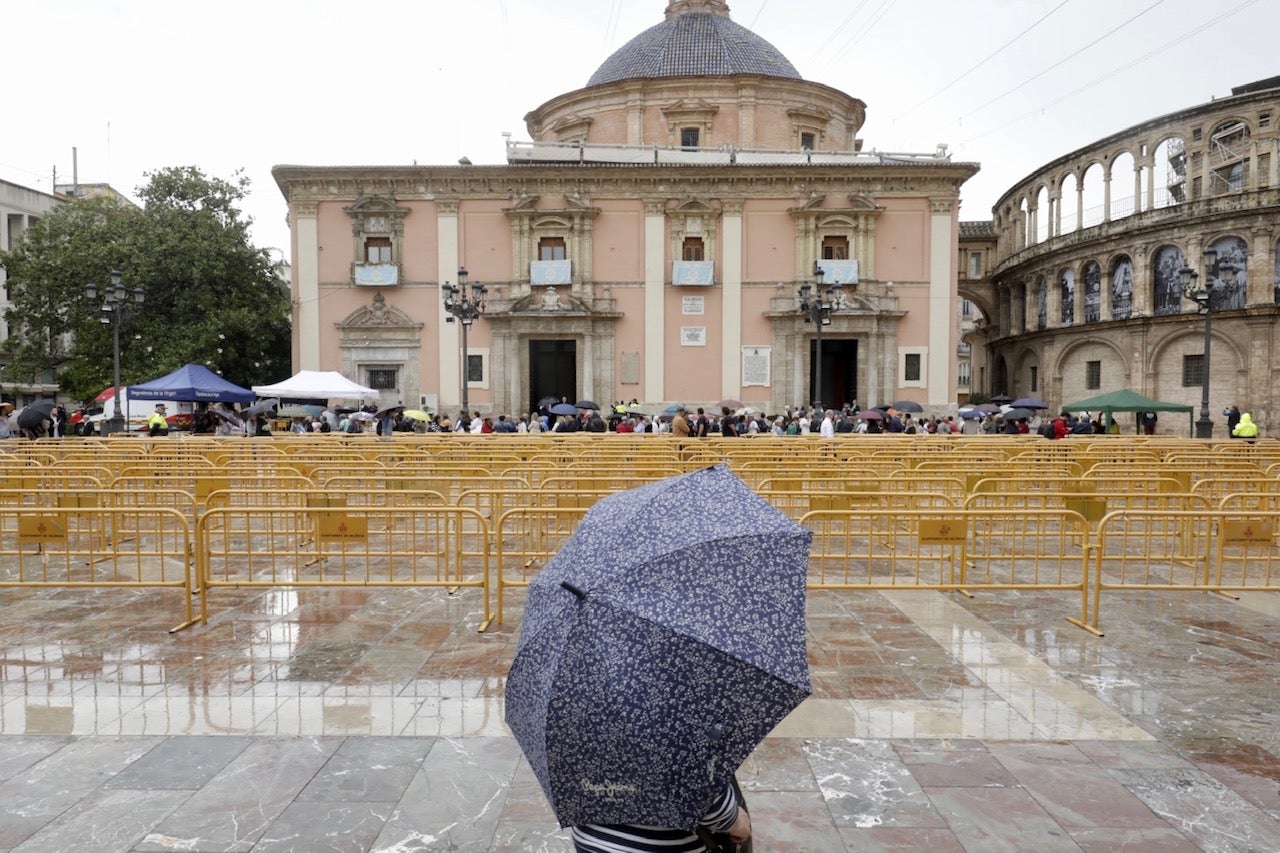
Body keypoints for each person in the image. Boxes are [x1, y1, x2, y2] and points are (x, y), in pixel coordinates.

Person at [570, 778, 751, 853]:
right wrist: (737, 823)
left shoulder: (574, 711)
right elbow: (709, 802)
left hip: (591, 843)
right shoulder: (682, 718)